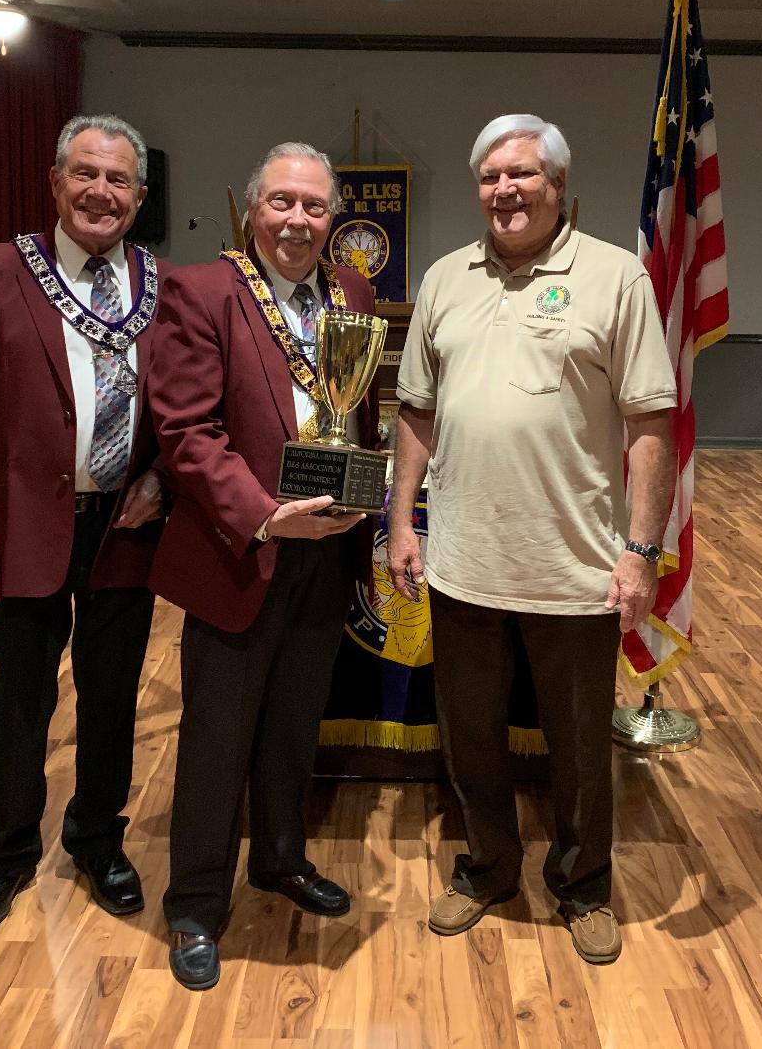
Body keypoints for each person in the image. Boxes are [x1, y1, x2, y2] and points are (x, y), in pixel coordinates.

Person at [387, 113, 676, 966]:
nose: (504, 191)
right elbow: (416, 411)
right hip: (464, 563)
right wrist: (402, 519)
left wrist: (642, 550)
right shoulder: (445, 278)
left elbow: (650, 420)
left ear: (558, 184)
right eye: (490, 177)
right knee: (469, 733)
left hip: (577, 566)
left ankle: (583, 885)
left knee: (581, 745)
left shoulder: (615, 277)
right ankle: (487, 867)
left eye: (522, 175)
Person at [148, 142, 376, 991]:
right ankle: (196, 904)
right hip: (239, 552)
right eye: (282, 202)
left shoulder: (348, 292)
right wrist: (263, 515)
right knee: (217, 733)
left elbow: (355, 410)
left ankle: (279, 859)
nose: (298, 220)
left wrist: (362, 491)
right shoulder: (203, 291)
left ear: (332, 218)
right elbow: (185, 430)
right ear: (253, 210)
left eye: (315, 206)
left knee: (294, 720)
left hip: (327, 549)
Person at [0, 113, 171, 941]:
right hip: (22, 529)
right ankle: (4, 854)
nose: (99, 193)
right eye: (85, 173)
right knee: (17, 702)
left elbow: (180, 412)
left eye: (116, 180)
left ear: (139, 197)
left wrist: (162, 478)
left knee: (111, 698)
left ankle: (98, 839)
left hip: (126, 525)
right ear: (55, 180)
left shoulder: (160, 282)